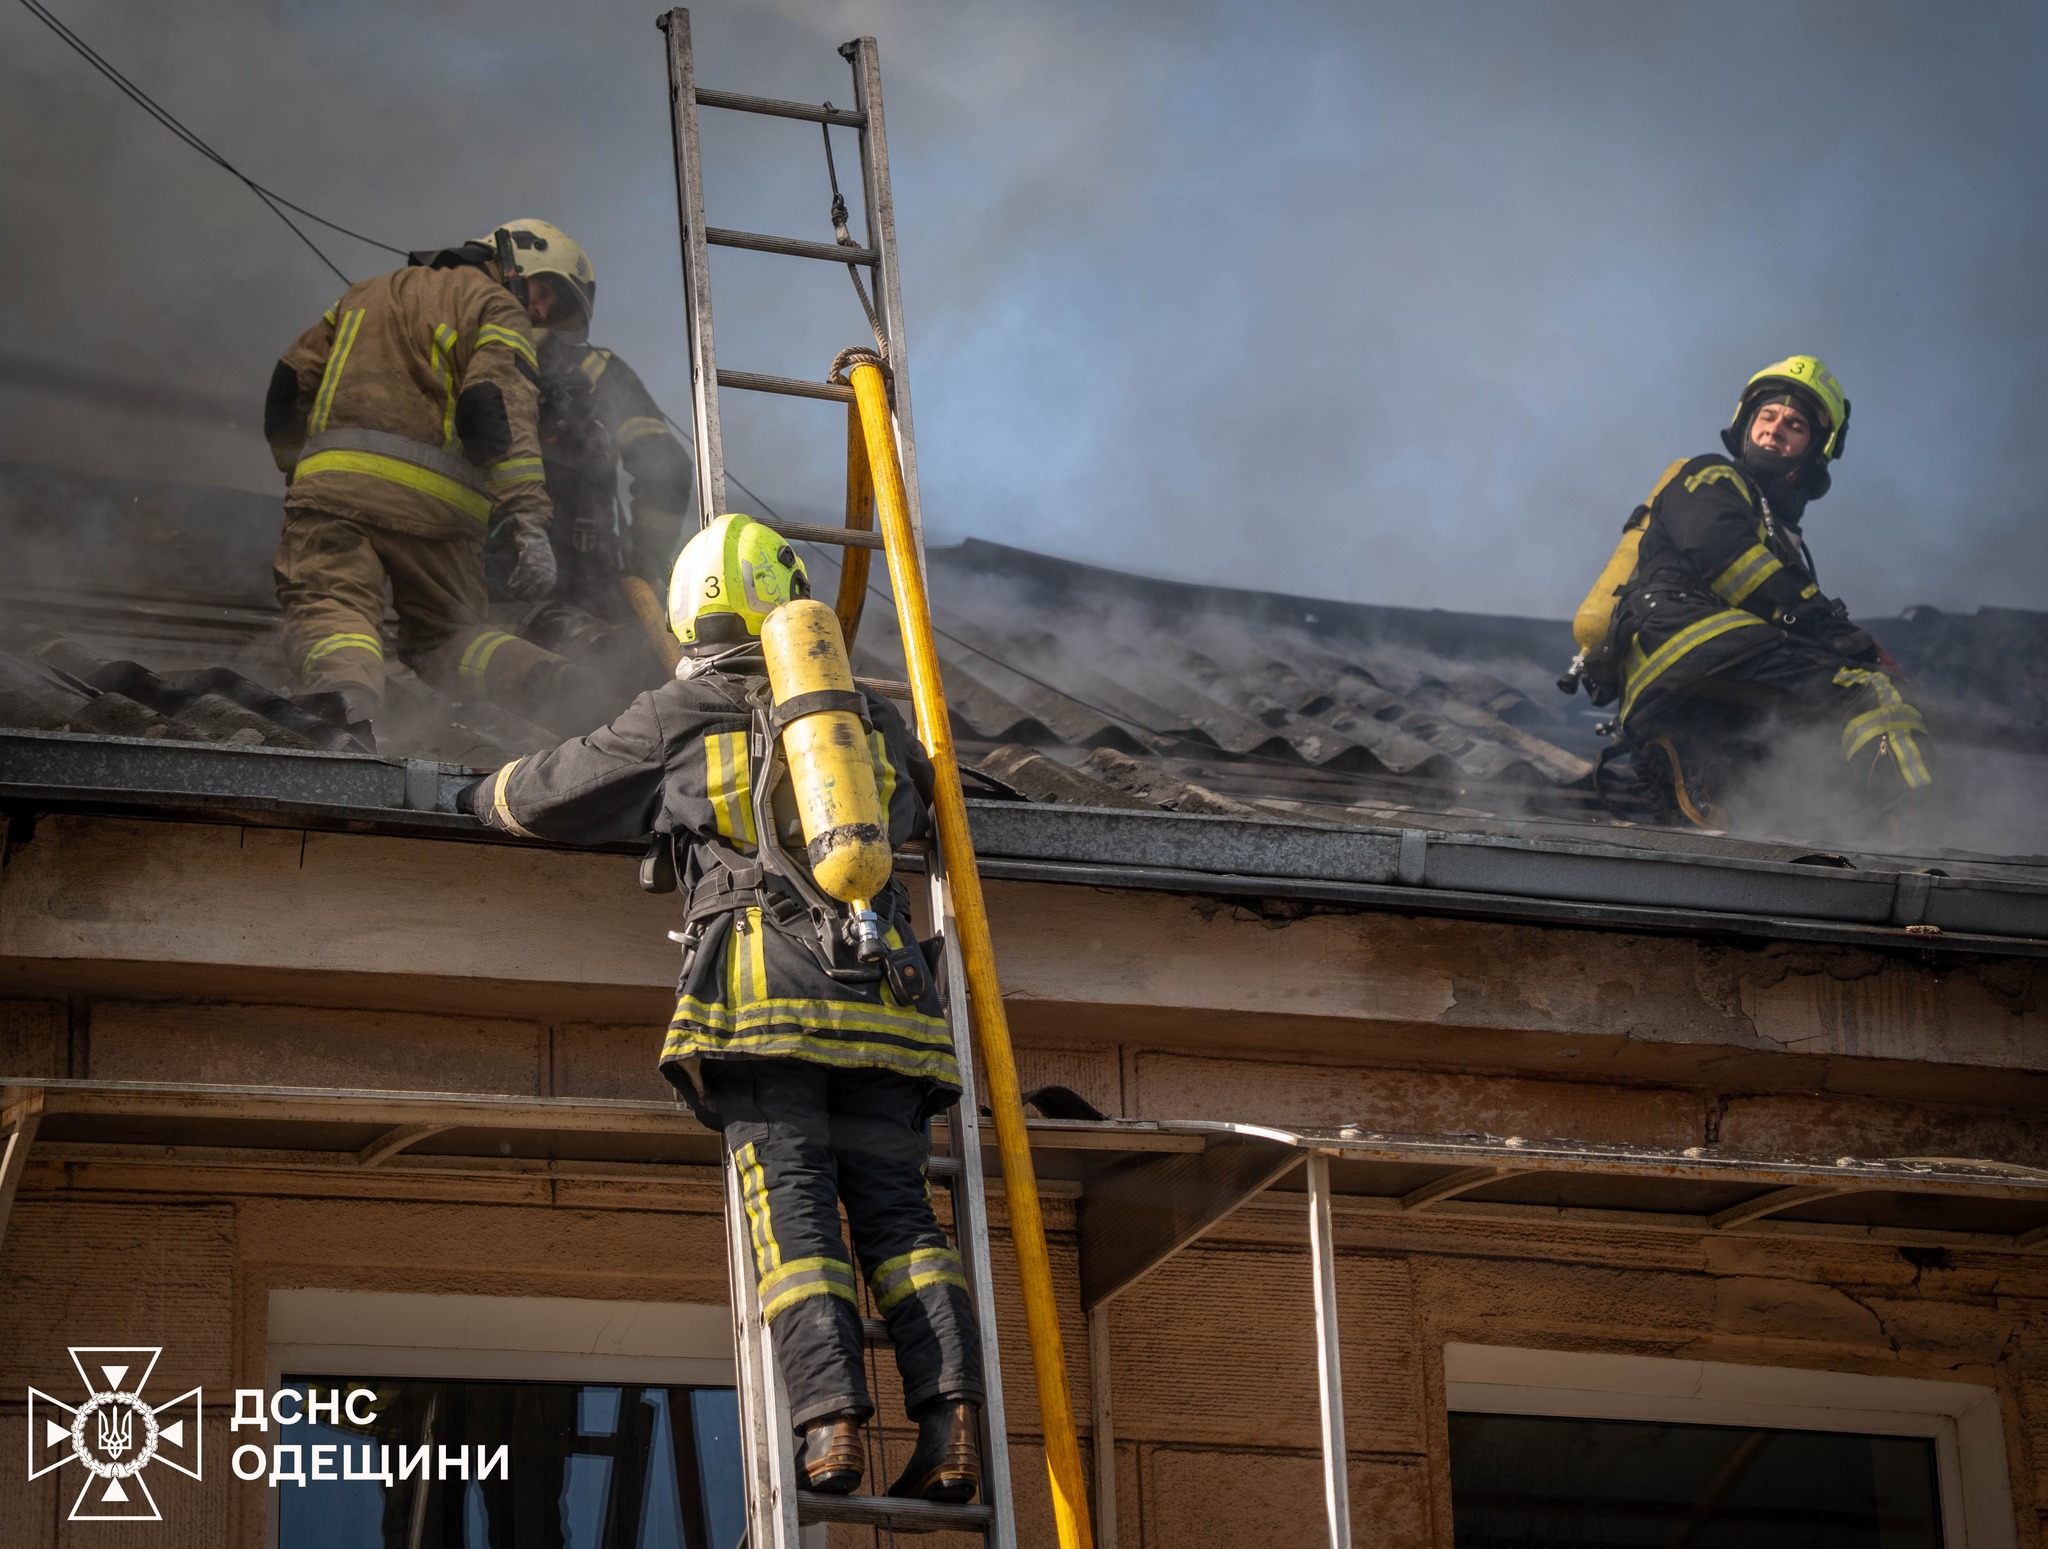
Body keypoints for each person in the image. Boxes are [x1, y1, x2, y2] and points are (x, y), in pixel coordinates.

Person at [464, 513, 983, 1504]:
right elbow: (921, 808)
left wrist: (469, 797)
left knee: (793, 1219)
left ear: (693, 617)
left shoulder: (681, 710)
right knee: (901, 1219)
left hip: (762, 1005)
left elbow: (552, 792)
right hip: (887, 1011)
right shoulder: (863, 721)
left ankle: (829, 1427)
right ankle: (951, 1429)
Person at [264, 224, 598, 738]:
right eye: (545, 292)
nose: (540, 313)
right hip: (441, 520)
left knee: (333, 610)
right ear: (517, 264)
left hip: (333, 504)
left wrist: (302, 471)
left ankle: (345, 716)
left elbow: (288, 385)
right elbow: (495, 406)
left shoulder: (361, 294)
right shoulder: (495, 306)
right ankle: (563, 689)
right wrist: (528, 519)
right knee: (450, 639)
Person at [1607, 355, 1932, 827]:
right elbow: (1727, 555)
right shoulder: (1713, 475)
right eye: (1767, 416)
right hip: (1693, 640)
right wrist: (1837, 633)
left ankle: (1696, 767)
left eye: (1795, 424)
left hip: (1680, 674)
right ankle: (1920, 820)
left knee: (1782, 763)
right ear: (1745, 425)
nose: (1775, 429)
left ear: (1813, 449)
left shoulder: (1778, 532)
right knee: (1873, 691)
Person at [478, 219, 693, 624]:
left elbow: (667, 469)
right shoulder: (443, 354)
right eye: (538, 291)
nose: (540, 309)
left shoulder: (596, 373)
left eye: (550, 302)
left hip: (581, 595)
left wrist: (644, 570)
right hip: (462, 593)